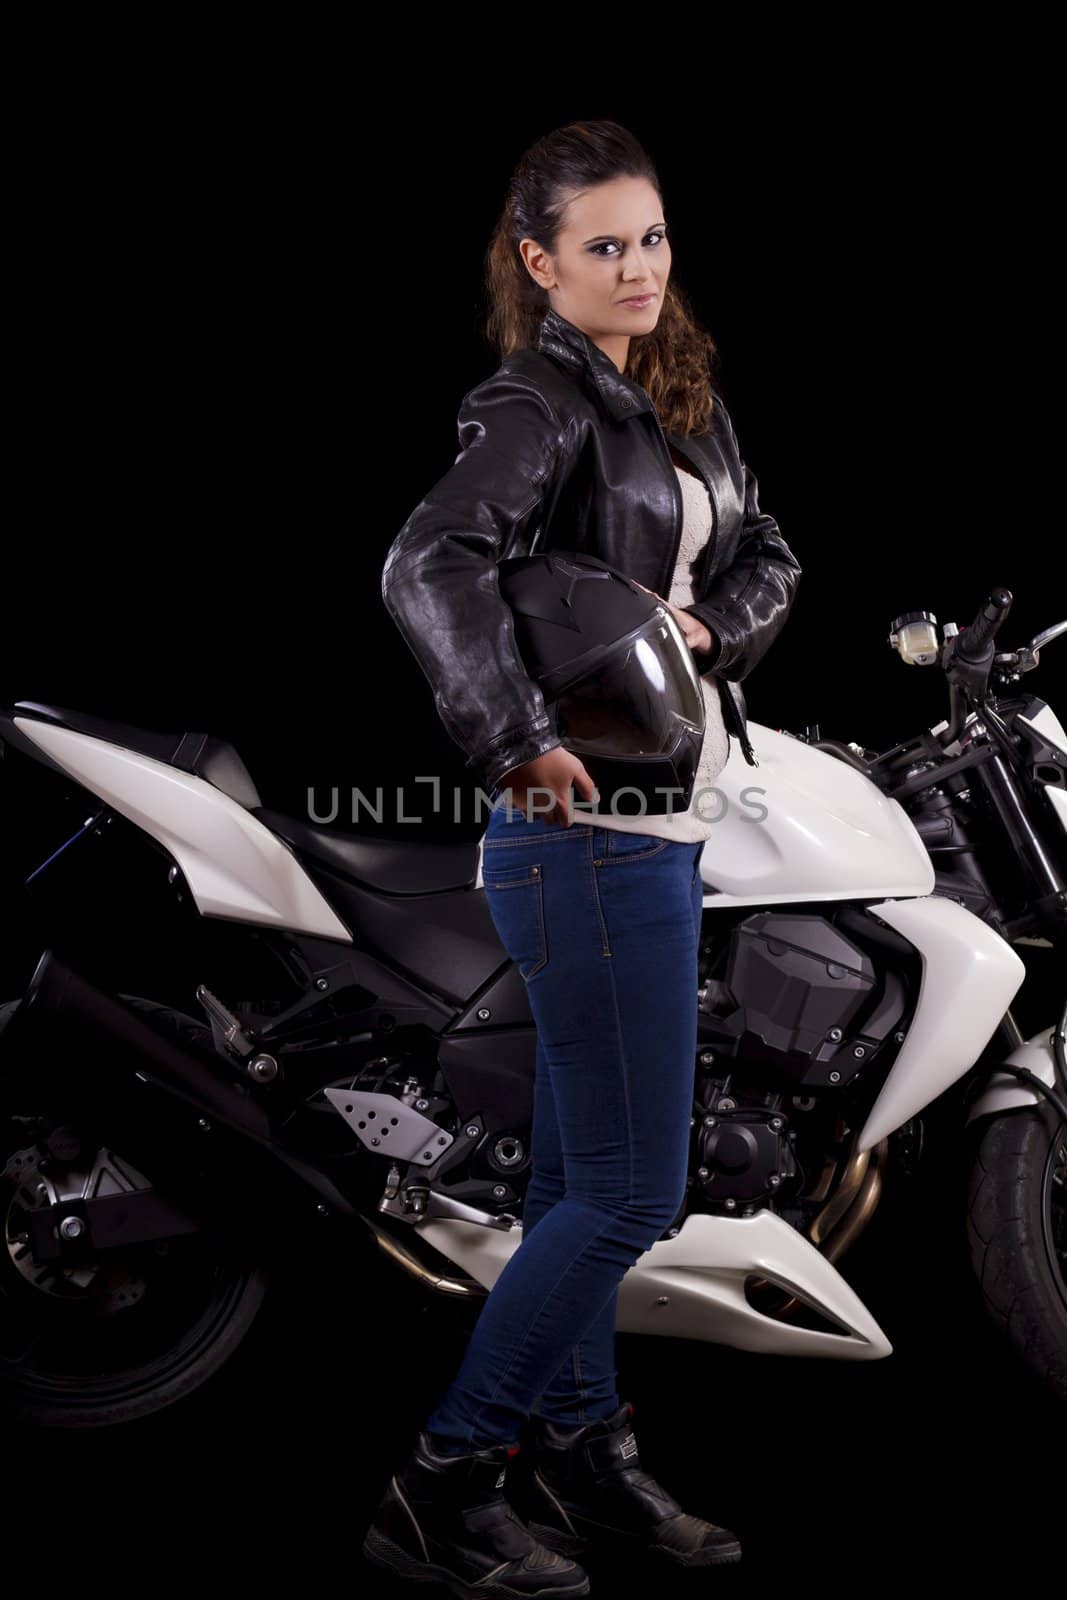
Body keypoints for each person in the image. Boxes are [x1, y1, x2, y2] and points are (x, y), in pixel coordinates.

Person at [363, 118, 801, 1598]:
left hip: (667, 823)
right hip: (581, 838)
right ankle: (444, 1481)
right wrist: (513, 739)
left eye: (654, 237)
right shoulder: (534, 401)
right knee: (627, 1193)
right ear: (539, 264)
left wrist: (706, 626)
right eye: (603, 245)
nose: (637, 267)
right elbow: (429, 561)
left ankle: (585, 1456)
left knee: (575, 1190)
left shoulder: (679, 399)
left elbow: (770, 559)